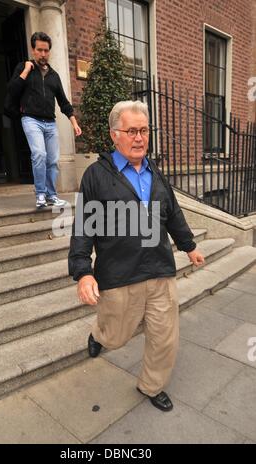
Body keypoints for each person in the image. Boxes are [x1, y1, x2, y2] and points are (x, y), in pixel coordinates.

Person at [68, 100, 205, 412]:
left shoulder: (156, 173)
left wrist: (189, 246)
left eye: (144, 130)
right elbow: (84, 226)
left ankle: (151, 385)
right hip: (118, 274)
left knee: (164, 337)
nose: (140, 137)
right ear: (114, 135)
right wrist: (83, 270)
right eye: (131, 131)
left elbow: (173, 215)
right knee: (116, 336)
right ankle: (99, 333)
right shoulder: (96, 176)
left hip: (160, 270)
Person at [8, 31, 82, 208]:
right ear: (33, 50)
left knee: (53, 160)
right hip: (30, 119)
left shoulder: (54, 76)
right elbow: (13, 90)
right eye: (39, 50)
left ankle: (51, 195)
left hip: (50, 122)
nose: (43, 54)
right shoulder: (23, 68)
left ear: (49, 51)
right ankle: (40, 194)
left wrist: (74, 122)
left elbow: (63, 102)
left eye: (46, 50)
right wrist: (26, 70)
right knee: (39, 154)